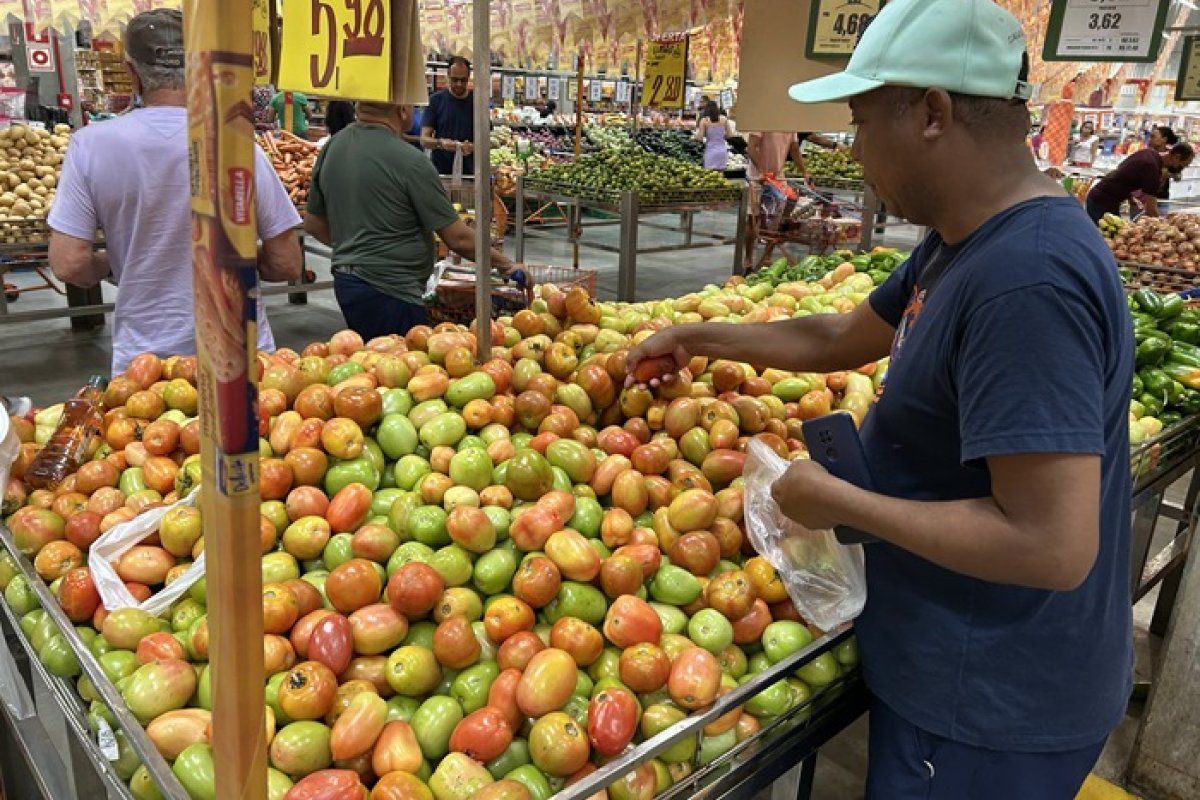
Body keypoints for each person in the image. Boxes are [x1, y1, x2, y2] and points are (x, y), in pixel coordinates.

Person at [629, 0, 1134, 797]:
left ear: (933, 112)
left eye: (862, 120)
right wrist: (700, 338)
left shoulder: (1025, 280)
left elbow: (1052, 545)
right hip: (954, 666)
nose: (854, 148)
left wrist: (841, 502)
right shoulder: (964, 238)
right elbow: (838, 339)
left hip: (989, 702)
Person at [46, 9, 302, 377]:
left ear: (132, 73)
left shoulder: (90, 146)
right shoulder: (238, 142)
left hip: (147, 366)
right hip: (239, 357)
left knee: (148, 434)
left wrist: (123, 260)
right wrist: (240, 258)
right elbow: (287, 262)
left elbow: (69, 264)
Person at [304, 102, 515, 340]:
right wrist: (506, 264)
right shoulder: (411, 161)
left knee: (370, 362)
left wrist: (356, 247)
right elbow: (457, 238)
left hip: (347, 283)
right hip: (392, 291)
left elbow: (313, 222)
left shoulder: (333, 146)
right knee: (399, 367)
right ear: (403, 110)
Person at [1086, 141, 1194, 223]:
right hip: (1102, 201)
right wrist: (1164, 227)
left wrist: (1130, 198)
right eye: (1184, 164)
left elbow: (1121, 174)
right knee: (1105, 238)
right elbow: (1151, 210)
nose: (1182, 168)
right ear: (1176, 157)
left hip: (1102, 197)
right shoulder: (1152, 168)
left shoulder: (1148, 153)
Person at [422, 56, 475, 175]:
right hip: (441, 172)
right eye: (455, 80)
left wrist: (473, 147)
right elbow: (424, 139)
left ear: (469, 78)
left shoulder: (477, 102)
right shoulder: (436, 100)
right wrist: (440, 143)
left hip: (471, 173)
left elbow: (488, 140)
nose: (459, 84)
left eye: (463, 80)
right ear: (448, 76)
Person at [695, 100, 733, 170]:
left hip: (710, 151)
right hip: (722, 151)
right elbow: (730, 135)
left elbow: (700, 138)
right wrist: (720, 136)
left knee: (710, 177)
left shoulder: (704, 121)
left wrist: (694, 137)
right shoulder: (724, 119)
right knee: (720, 178)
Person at [1149, 126, 1179, 213]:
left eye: (1153, 137)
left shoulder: (1171, 155)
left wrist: (1168, 174)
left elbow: (1178, 177)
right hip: (1145, 198)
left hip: (1162, 198)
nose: (1150, 139)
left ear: (1164, 139)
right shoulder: (1147, 154)